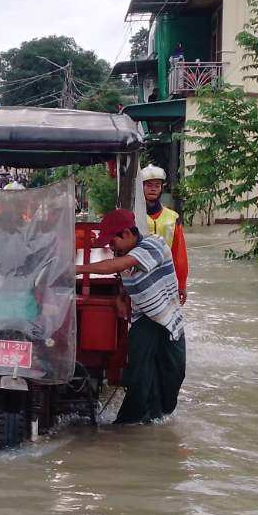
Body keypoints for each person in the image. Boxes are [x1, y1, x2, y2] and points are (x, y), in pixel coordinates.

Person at [76, 208, 186, 425]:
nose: (110, 246)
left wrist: (76, 269)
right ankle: (129, 424)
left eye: (112, 240)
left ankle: (158, 415)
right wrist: (121, 296)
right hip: (143, 319)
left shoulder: (154, 244)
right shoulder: (123, 253)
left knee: (174, 372)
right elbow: (125, 275)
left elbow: (121, 265)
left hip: (167, 319)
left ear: (127, 233)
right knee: (139, 377)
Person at [139, 164, 188, 304]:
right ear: (141, 187)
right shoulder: (134, 216)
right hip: (139, 277)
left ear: (161, 188)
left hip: (166, 279)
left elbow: (179, 254)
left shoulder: (173, 218)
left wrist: (182, 284)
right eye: (148, 185)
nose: (153, 188)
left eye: (157, 185)